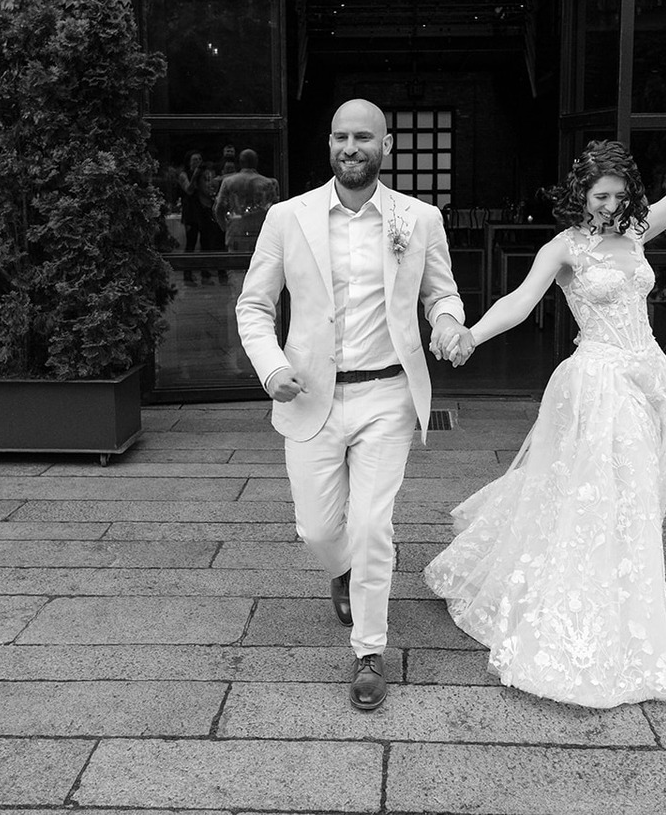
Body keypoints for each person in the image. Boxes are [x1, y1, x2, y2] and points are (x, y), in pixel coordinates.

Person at [424, 94, 666, 708]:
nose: (610, 205)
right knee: (607, 497)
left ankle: (619, 600)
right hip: (599, 383)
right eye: (599, 195)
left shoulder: (639, 231)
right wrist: (470, 333)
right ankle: (595, 626)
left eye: (618, 195)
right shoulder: (565, 249)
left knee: (635, 496)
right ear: (582, 195)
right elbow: (519, 303)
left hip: (649, 378)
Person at [235, 98, 471, 712]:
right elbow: (254, 306)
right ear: (329, 144)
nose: (350, 147)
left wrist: (447, 325)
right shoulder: (288, 218)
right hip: (310, 394)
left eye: (363, 137)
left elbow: (441, 294)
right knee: (318, 528)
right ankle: (339, 569)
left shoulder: (418, 219)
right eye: (340, 136)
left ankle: (369, 651)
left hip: (388, 395)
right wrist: (272, 367)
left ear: (384, 146)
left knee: (372, 525)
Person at [213, 148, 281, 254]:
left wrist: (225, 227)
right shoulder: (268, 183)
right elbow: (276, 211)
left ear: (240, 162)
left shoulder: (228, 182)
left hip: (235, 230)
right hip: (260, 231)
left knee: (235, 267)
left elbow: (219, 208)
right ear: (256, 162)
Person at [178, 150, 225, 283]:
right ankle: (187, 274)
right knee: (191, 243)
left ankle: (205, 274)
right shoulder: (184, 175)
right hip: (190, 212)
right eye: (194, 160)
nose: (197, 162)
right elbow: (189, 189)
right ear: (189, 162)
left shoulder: (203, 174)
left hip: (202, 210)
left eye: (199, 159)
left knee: (206, 241)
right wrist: (196, 175)